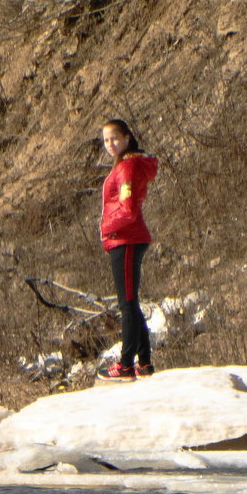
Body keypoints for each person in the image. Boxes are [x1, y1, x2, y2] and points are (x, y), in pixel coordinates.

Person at [96, 119, 158, 382]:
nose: (110, 144)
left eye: (115, 139)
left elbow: (129, 209)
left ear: (128, 138)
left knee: (127, 304)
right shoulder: (125, 164)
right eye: (106, 140)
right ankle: (143, 362)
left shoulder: (128, 166)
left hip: (126, 239)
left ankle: (125, 365)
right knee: (130, 303)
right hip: (125, 238)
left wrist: (106, 227)